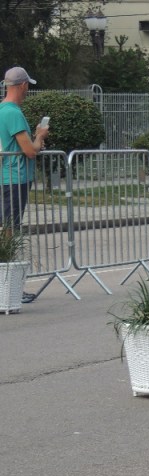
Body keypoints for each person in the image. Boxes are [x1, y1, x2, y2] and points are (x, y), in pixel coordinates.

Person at [1, 66, 49, 304]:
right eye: (27, 85)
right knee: (9, 233)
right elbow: (30, 150)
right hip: (15, 178)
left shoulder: (2, 109)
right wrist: (40, 136)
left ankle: (7, 287)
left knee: (6, 229)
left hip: (6, 178)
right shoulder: (13, 113)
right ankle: (8, 288)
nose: (28, 89)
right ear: (22, 85)